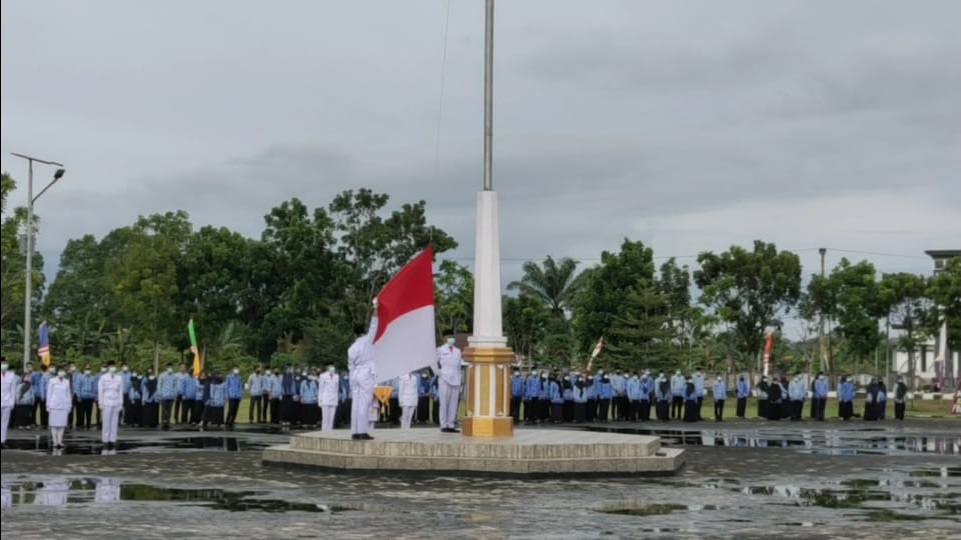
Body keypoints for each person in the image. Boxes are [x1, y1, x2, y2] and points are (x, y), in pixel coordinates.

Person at [349, 299, 379, 440]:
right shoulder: (367, 340)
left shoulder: (352, 348)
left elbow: (350, 366)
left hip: (355, 374)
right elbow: (374, 324)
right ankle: (362, 431)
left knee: (355, 403)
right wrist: (375, 307)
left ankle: (355, 431)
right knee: (365, 403)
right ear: (364, 331)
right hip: (366, 373)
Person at [433, 330, 462, 433]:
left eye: (452, 336)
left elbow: (459, 367)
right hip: (444, 378)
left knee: (453, 403)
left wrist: (460, 379)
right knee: (444, 402)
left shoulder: (457, 351)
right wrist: (438, 372)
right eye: (449, 336)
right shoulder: (440, 350)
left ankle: (451, 424)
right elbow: (433, 362)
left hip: (455, 379)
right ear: (445, 338)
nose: (451, 338)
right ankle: (444, 424)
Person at [98, 361, 124, 449]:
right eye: (111, 366)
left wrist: (121, 403)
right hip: (106, 402)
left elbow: (120, 391)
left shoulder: (119, 378)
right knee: (106, 422)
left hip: (116, 402)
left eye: (114, 366)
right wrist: (100, 403)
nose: (113, 368)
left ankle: (112, 439)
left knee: (114, 422)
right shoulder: (103, 378)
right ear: (108, 367)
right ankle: (105, 440)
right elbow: (100, 391)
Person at [47, 368, 73, 449]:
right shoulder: (52, 381)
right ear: (57, 372)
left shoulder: (67, 381)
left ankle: (60, 441)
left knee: (62, 425)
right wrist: (48, 405)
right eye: (60, 371)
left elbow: (68, 394)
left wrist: (69, 405)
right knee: (54, 424)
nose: (61, 373)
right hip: (54, 404)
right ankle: (55, 441)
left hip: (64, 405)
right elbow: (49, 393)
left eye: (63, 371)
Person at [1, 358, 18, 448]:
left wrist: (12, 402)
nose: (4, 365)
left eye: (5, 363)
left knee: (4, 422)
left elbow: (13, 390)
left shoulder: (11, 375)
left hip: (7, 402)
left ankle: (2, 440)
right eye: (2, 363)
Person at [319, 364, 339, 432]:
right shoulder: (323, 376)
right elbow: (320, 389)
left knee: (332, 417)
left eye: (333, 367)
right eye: (331, 367)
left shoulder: (336, 376)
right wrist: (320, 400)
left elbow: (337, 389)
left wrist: (337, 399)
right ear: (328, 368)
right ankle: (324, 430)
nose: (332, 368)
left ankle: (330, 430)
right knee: (325, 417)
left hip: (333, 398)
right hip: (325, 398)